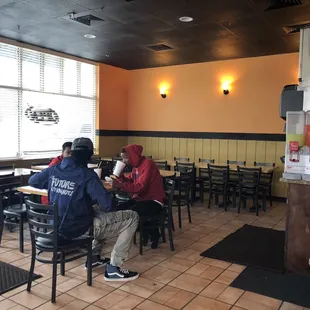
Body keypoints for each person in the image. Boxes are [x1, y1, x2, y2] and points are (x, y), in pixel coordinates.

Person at [29, 137, 139, 282]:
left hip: (56, 226)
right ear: (89, 156)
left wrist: (56, 185)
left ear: (71, 152)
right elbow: (109, 205)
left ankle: (93, 258)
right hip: (78, 230)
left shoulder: (54, 169)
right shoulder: (87, 175)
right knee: (132, 217)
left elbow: (33, 181)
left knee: (96, 212)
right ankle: (114, 268)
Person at [112, 144, 165, 249]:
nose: (124, 160)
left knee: (133, 212)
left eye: (126, 157)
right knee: (121, 208)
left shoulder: (148, 164)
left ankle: (152, 233)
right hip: (141, 199)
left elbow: (139, 187)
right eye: (122, 158)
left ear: (133, 156)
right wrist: (121, 177)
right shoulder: (136, 167)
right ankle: (145, 231)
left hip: (154, 200)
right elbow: (131, 181)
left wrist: (120, 185)